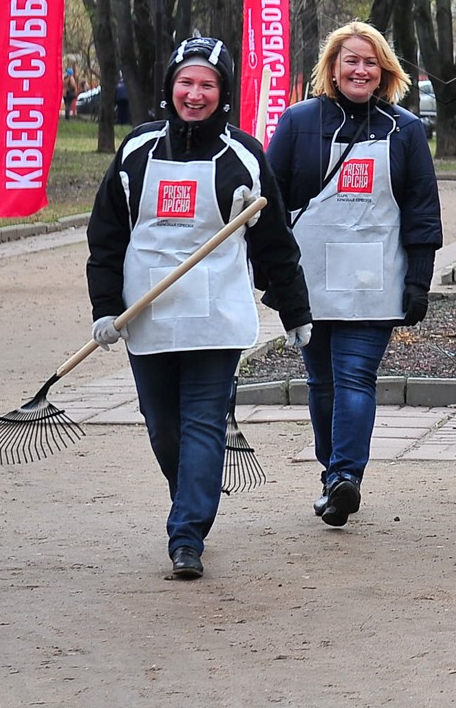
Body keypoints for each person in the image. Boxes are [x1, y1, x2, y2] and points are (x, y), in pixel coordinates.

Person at [84, 37, 312, 580]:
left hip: (215, 316)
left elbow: (275, 240)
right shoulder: (137, 151)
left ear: (223, 93)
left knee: (203, 422)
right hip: (148, 313)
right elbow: (108, 234)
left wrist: (295, 312)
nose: (194, 93)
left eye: (207, 84)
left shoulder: (245, 157)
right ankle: (192, 490)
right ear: (170, 87)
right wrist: (104, 305)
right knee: (163, 426)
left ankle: (187, 534)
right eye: (186, 82)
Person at [267, 22, 442, 528]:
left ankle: (347, 475)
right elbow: (270, 204)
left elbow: (422, 211)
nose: (360, 70)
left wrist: (418, 281)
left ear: (384, 70)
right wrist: (271, 276)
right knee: (321, 381)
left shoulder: (404, 130)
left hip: (375, 279)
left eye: (370, 62)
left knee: (355, 377)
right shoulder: (298, 123)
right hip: (310, 280)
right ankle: (332, 473)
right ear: (333, 67)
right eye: (351, 60)